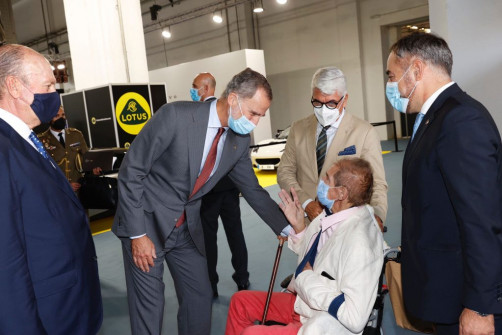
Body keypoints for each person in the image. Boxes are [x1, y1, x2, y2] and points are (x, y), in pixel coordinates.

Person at [112, 67, 291, 335]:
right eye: (253, 113)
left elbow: (252, 190)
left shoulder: (239, 140)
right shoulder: (175, 117)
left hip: (186, 230)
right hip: (146, 225)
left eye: (261, 116)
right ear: (232, 99)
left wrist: (290, 229)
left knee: (199, 298)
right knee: (151, 309)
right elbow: (131, 171)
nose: (255, 122)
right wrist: (137, 234)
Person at [386, 32, 502, 334]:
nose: (390, 85)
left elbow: (481, 222)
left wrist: (479, 305)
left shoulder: (461, 120)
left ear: (416, 70)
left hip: (465, 297)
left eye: (392, 75)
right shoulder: (433, 119)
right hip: (443, 290)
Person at [0, 44, 102, 334]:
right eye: (46, 86)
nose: (54, 96)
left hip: (67, 303)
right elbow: (5, 262)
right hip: (47, 315)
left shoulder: (24, 139)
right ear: (14, 87)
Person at [226, 158, 385, 334]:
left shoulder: (360, 244)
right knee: (239, 302)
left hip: (321, 322)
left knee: (251, 333)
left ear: (341, 193)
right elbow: (322, 258)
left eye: (327, 178)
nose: (321, 182)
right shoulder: (332, 215)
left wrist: (306, 278)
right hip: (304, 303)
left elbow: (354, 318)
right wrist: (300, 228)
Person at [277, 67, 388, 228]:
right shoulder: (298, 129)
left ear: (345, 99)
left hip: (348, 225)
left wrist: (377, 215)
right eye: (317, 102)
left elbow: (377, 183)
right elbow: (284, 171)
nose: (323, 110)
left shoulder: (364, 133)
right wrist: (306, 203)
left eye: (331, 103)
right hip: (308, 224)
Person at [192, 72, 250, 297]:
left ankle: (211, 284)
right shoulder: (231, 112)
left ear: (206, 88)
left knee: (209, 238)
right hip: (230, 187)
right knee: (236, 232)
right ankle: (242, 279)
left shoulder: (199, 113)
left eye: (195, 86)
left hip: (208, 189)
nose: (193, 90)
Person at [37, 105, 101, 193]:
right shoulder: (41, 140)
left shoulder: (76, 134)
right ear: (49, 119)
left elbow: (86, 159)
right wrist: (64, 184)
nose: (61, 118)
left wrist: (93, 170)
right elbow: (42, 170)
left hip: (79, 189)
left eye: (63, 115)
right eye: (56, 116)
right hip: (57, 191)